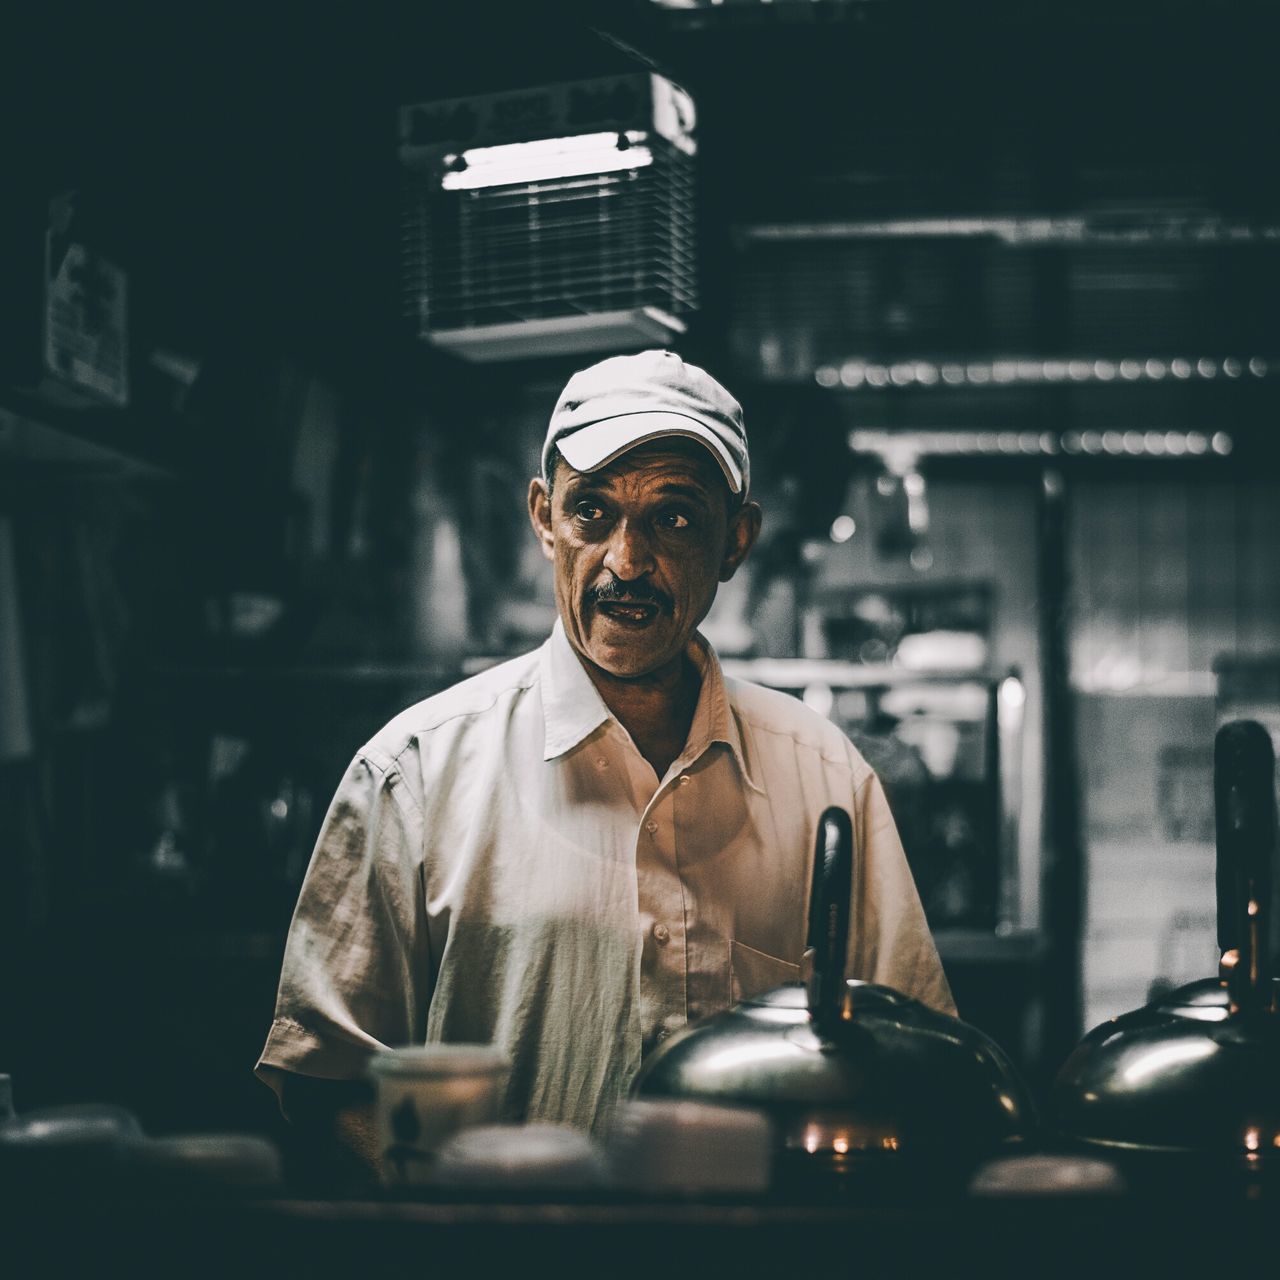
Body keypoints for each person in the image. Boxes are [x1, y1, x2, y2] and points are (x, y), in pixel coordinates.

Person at [255, 349, 954, 1170]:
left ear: (737, 540)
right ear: (545, 517)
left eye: (676, 519)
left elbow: (917, 1057)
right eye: (593, 513)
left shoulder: (826, 778)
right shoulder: (414, 774)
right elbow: (323, 1075)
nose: (627, 562)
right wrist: (460, 1221)